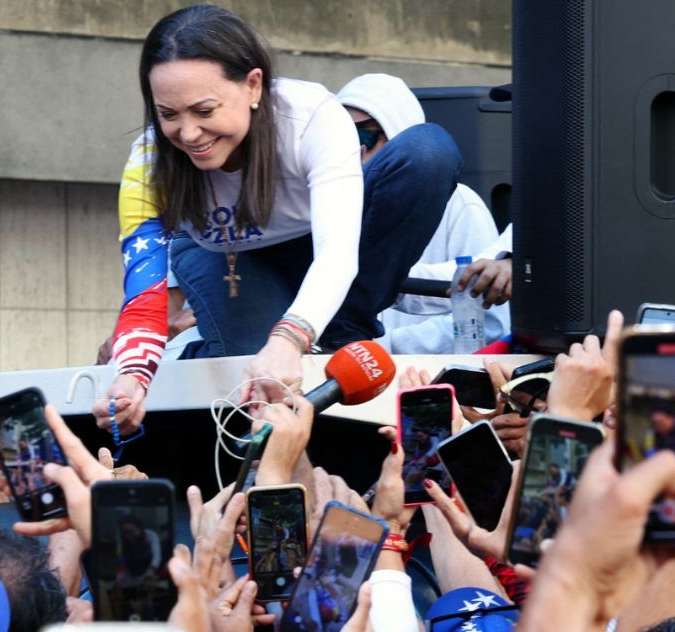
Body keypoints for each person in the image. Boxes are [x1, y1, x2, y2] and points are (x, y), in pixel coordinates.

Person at [95, 3, 461, 436]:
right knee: (263, 385)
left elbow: (338, 250)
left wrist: (290, 338)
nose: (189, 134)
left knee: (428, 151)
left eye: (205, 111)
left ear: (253, 86)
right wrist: (133, 375)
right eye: (168, 115)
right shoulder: (148, 160)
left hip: (318, 247)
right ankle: (207, 351)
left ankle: (341, 326)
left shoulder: (311, 117)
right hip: (226, 261)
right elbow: (144, 288)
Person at [336, 72, 510, 353]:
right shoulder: (328, 205)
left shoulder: (461, 206)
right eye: (339, 137)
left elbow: (489, 322)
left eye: (363, 134)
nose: (354, 150)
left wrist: (382, 346)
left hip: (425, 383)